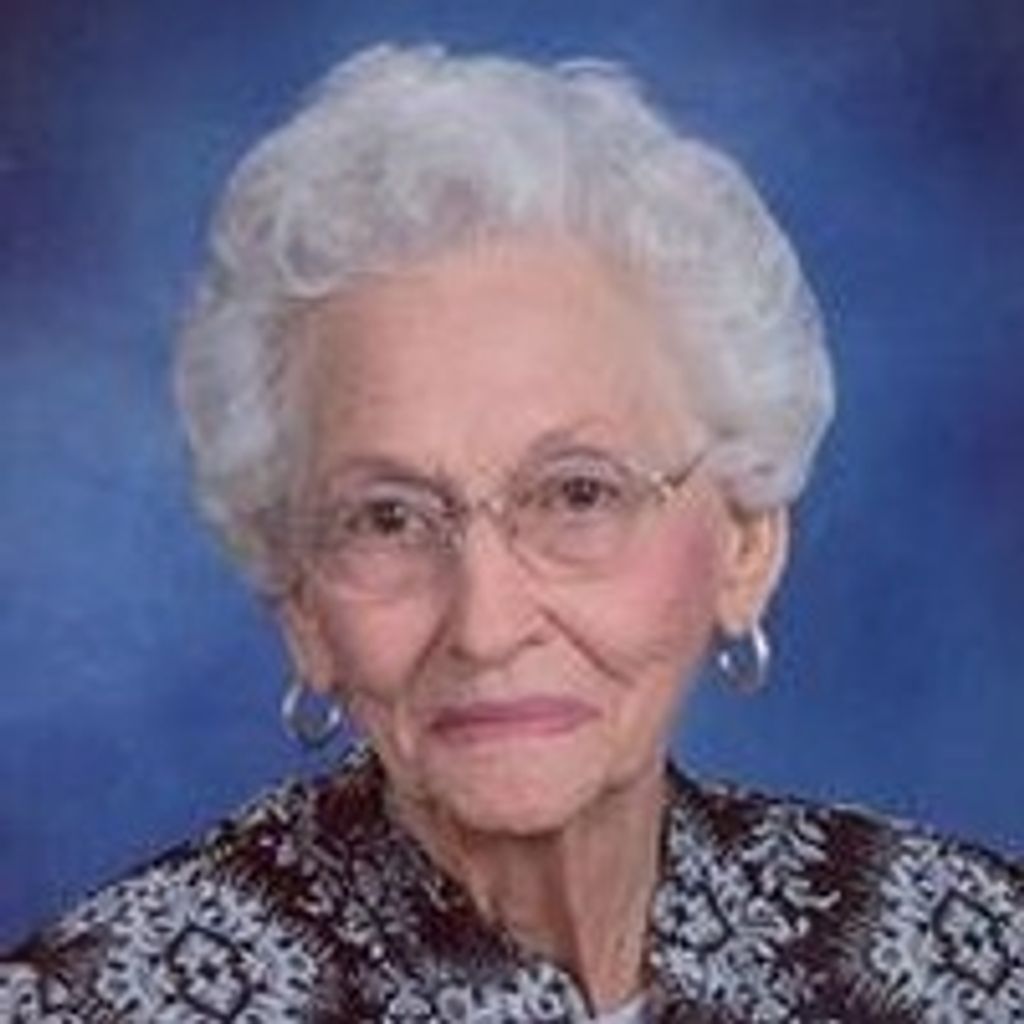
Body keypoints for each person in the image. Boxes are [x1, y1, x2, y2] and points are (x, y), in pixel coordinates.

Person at [1, 44, 1021, 1023]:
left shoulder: (977, 956)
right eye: (388, 517)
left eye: (577, 495)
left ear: (745, 544)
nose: (485, 627)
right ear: (302, 603)